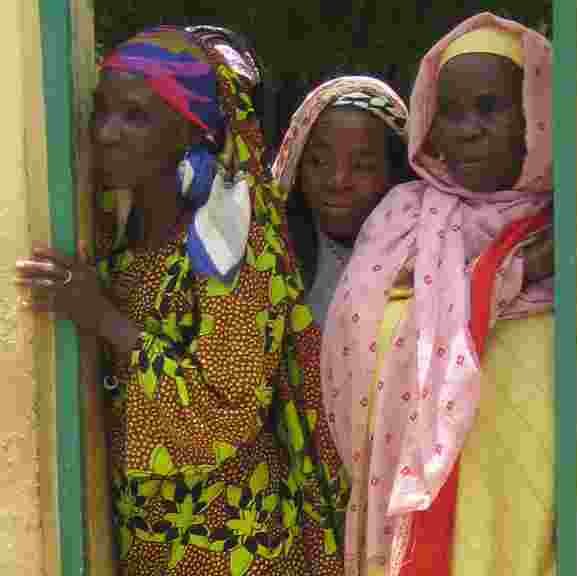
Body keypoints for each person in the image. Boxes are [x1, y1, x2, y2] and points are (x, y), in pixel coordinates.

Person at [15, 26, 343, 575]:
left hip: (233, 545)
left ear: (191, 132)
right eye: (102, 111)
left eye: (136, 116)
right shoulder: (117, 244)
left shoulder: (232, 244)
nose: (106, 133)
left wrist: (101, 318)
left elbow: (224, 415)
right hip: (149, 543)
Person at [320, 12, 556, 576]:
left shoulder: (568, 230)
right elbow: (349, 348)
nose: (467, 129)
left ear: (535, 117)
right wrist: (504, 279)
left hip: (519, 496)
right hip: (404, 507)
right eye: (450, 112)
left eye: (489, 108)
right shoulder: (401, 219)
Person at [272, 74, 411, 327]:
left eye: (362, 166)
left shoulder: (427, 255)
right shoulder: (273, 256)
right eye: (318, 162)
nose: (337, 181)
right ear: (296, 165)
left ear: (395, 173)